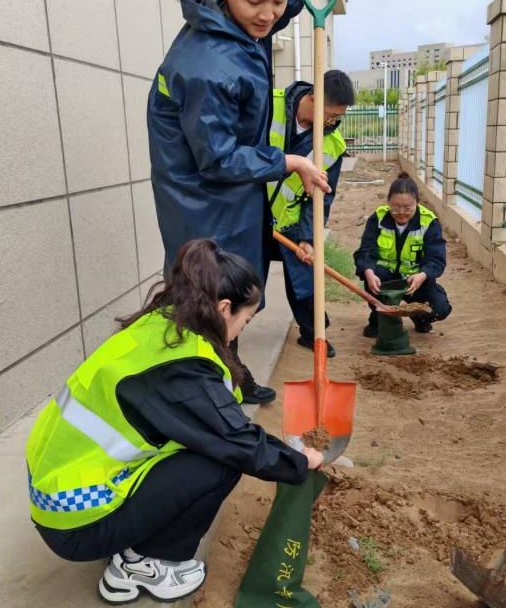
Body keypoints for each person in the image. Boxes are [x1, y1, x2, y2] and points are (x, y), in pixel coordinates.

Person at [26, 239, 324, 605]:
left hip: (58, 493)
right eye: (245, 320)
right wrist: (298, 462)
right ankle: (141, 564)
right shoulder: (182, 370)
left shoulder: (163, 325)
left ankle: (131, 542)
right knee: (218, 462)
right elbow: (236, 440)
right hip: (77, 522)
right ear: (224, 307)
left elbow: (215, 408)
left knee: (202, 443)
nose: (242, 329)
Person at [147, 0, 331, 404]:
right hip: (201, 198)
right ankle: (203, 397)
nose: (268, 15)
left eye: (278, 2)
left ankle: (230, 372)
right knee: (208, 300)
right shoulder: (208, 66)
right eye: (255, 1)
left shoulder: (240, 22)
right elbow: (217, 157)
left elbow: (273, 10)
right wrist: (288, 161)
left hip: (229, 192)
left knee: (229, 296)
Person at [268, 70, 355, 358]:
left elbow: (320, 200)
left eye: (338, 117)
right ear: (313, 99)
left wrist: (308, 237)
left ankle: (312, 333)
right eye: (330, 115)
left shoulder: (333, 145)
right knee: (241, 282)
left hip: (290, 219)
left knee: (306, 278)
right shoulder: (270, 104)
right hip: (249, 211)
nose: (334, 122)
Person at [353, 173, 452, 336]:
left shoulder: (429, 222)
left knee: (440, 308)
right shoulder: (378, 218)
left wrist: (423, 275)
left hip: (415, 280)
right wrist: (368, 272)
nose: (401, 212)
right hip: (386, 278)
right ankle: (379, 317)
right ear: (388, 202)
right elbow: (366, 250)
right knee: (374, 274)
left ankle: (421, 317)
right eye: (396, 206)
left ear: (417, 203)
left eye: (407, 208)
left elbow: (436, 258)